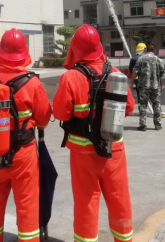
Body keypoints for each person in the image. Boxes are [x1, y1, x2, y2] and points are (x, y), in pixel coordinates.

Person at [53, 24, 135, 242]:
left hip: (83, 152)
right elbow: (128, 107)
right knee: (119, 198)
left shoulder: (71, 77)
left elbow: (60, 112)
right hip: (113, 148)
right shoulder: (115, 73)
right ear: (99, 47)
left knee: (86, 201)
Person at [0, 29, 51, 242]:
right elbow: (43, 117)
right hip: (23, 154)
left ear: (0, 51)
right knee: (27, 205)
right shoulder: (32, 83)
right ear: (23, 53)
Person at [133, 44, 165, 131]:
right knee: (156, 105)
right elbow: (162, 74)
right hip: (155, 86)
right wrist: (162, 85)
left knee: (143, 105)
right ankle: (158, 125)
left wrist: (131, 82)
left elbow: (135, 71)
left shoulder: (141, 58)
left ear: (146, 50)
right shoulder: (158, 60)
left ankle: (143, 125)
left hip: (144, 86)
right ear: (154, 50)